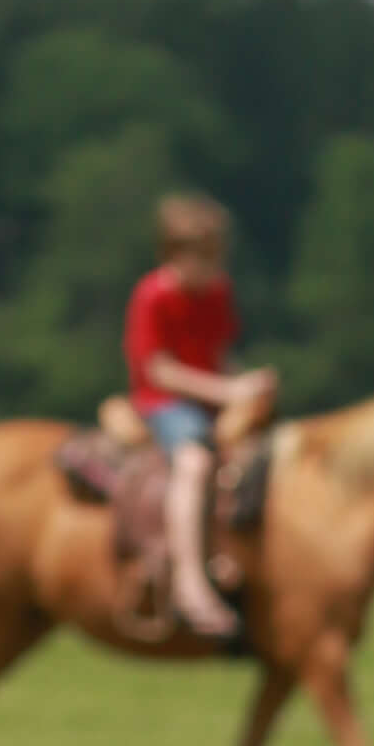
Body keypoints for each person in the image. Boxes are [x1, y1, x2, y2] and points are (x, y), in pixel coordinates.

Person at [122, 191, 259, 646]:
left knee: (259, 458)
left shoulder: (218, 293)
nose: (211, 267)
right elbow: (158, 370)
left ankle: (231, 555)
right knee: (195, 462)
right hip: (162, 402)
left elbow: (218, 355)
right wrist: (225, 391)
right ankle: (189, 582)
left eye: (215, 257)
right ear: (173, 255)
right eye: (201, 258)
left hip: (211, 399)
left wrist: (248, 387)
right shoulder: (153, 296)